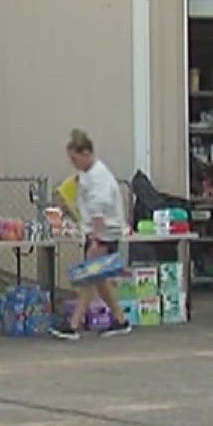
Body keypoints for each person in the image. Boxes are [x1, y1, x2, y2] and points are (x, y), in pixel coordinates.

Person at [50, 128, 133, 339]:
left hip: (104, 234)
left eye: (75, 158)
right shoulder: (87, 175)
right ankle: (121, 319)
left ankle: (74, 324)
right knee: (98, 279)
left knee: (88, 277)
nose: (73, 163)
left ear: (86, 153)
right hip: (99, 233)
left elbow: (99, 211)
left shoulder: (99, 177)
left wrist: (97, 239)